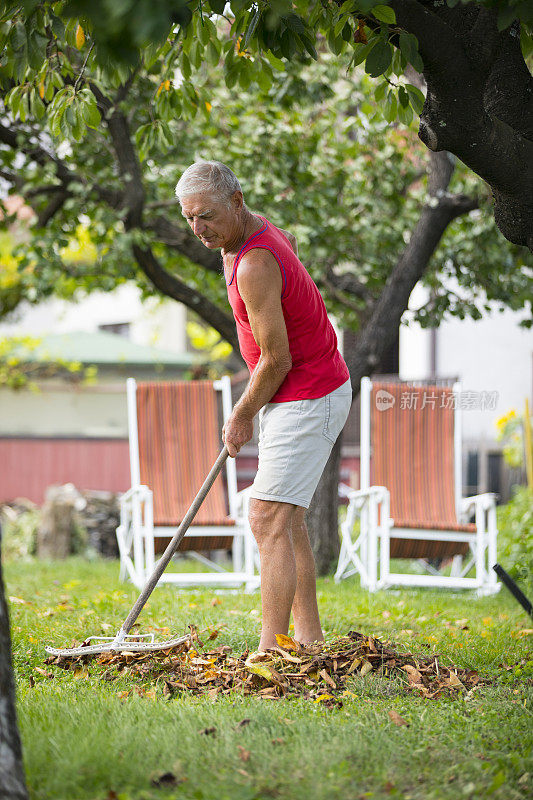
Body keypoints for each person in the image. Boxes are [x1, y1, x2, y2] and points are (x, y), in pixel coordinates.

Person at [175, 161, 352, 650]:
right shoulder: (249, 241)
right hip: (296, 391)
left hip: (308, 392)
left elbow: (276, 360)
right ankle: (309, 638)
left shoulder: (253, 263)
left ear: (237, 202)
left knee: (266, 515)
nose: (198, 230)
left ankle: (270, 650)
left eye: (206, 216)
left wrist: (239, 415)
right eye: (189, 219)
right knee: (285, 517)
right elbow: (288, 239)